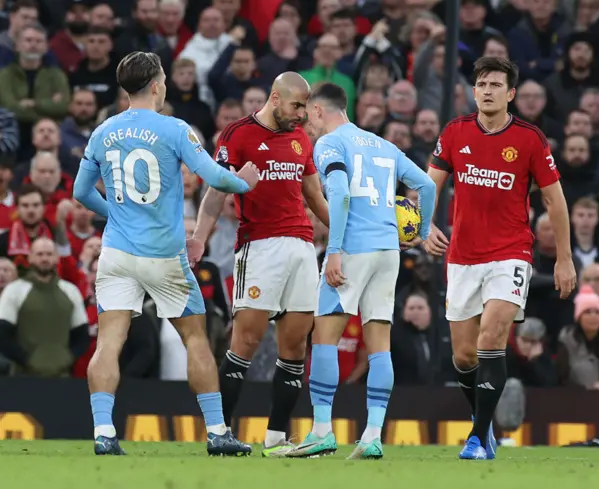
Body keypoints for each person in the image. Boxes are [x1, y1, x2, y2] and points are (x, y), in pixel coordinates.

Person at [72, 51, 259, 457]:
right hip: (164, 256)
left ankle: (104, 432)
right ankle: (216, 432)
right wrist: (243, 183)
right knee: (195, 337)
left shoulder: (103, 131)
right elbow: (212, 175)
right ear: (157, 84)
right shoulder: (175, 129)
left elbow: (80, 192)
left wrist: (116, 215)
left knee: (109, 341)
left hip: (117, 253)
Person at [424, 56, 576, 461]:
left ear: (511, 94)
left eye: (495, 85)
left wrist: (564, 259)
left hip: (511, 253)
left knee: (492, 337)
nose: (487, 91)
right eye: (481, 84)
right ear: (474, 91)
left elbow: (554, 200)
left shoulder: (530, 138)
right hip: (462, 256)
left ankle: (476, 439)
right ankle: (485, 425)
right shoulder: (455, 132)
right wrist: (423, 226)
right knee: (463, 354)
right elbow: (430, 183)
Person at [285, 82, 436, 460]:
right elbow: (426, 185)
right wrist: (421, 231)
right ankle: (372, 435)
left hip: (353, 248)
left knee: (325, 338)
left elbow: (340, 194)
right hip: (388, 251)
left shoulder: (330, 145)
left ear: (320, 110)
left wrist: (333, 250)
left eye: (309, 115)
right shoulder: (384, 145)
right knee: (379, 343)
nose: (307, 123)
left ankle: (322, 430)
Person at [189, 71, 329, 457]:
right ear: (275, 97)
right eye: (297, 105)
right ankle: (220, 432)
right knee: (245, 341)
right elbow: (217, 191)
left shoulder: (300, 139)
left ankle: (277, 438)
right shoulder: (237, 134)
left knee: (296, 345)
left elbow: (315, 196)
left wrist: (348, 235)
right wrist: (200, 236)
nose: (302, 114)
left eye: (305, 106)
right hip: (259, 245)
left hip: (302, 246)